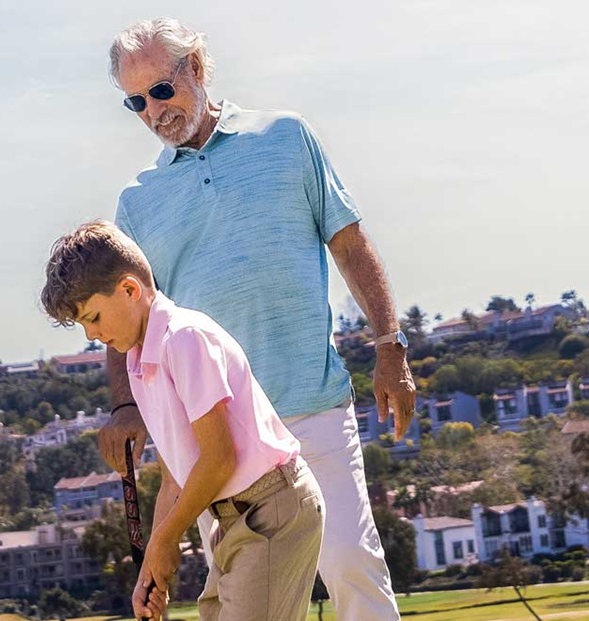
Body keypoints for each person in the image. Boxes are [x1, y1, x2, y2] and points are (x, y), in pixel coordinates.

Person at [97, 18, 417, 621]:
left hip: (312, 400)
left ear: (195, 67)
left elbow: (349, 244)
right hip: (222, 435)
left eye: (160, 91)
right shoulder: (137, 203)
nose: (152, 112)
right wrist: (124, 407)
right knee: (246, 600)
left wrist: (389, 347)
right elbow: (127, 313)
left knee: (353, 568)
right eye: (135, 102)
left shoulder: (286, 136)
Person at [41, 221, 324, 621]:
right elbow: (176, 476)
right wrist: (151, 570)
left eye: (94, 317)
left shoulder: (184, 339)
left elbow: (220, 457)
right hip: (231, 520)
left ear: (129, 290)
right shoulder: (141, 363)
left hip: (273, 509)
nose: (91, 334)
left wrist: (166, 541)